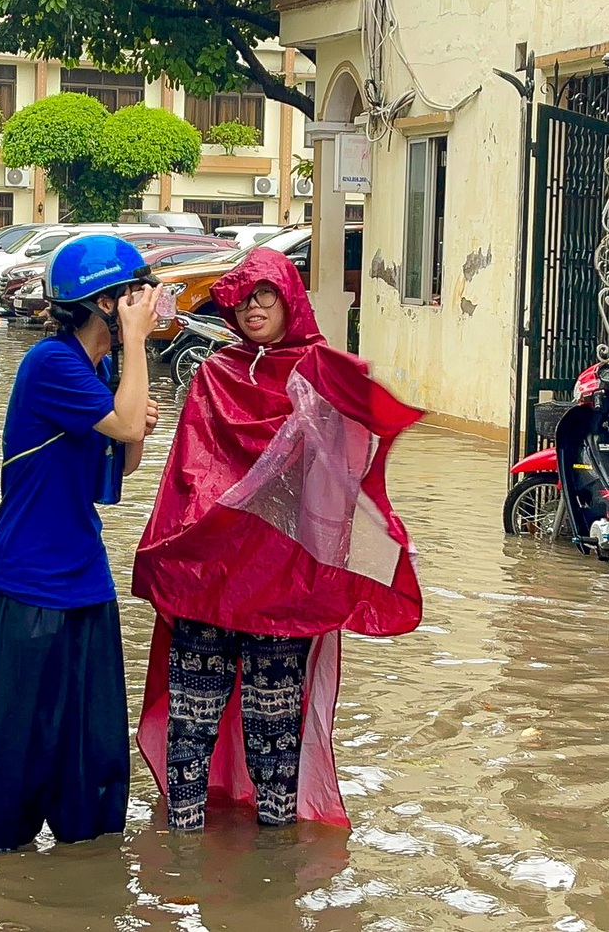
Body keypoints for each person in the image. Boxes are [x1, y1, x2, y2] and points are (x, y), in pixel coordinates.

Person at [133, 248, 423, 832]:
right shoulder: (216, 374)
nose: (252, 308)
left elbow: (345, 476)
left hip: (282, 583)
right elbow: (187, 475)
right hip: (208, 579)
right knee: (194, 719)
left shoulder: (324, 375)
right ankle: (184, 846)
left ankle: (275, 858)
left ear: (290, 297)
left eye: (265, 294)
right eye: (241, 299)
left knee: (274, 725)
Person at [0, 234, 162, 852]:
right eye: (130, 295)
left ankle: (86, 873)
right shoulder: (50, 364)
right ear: (102, 304)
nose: (143, 304)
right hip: (27, 581)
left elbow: (119, 467)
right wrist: (135, 355)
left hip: (83, 578)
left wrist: (136, 420)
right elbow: (123, 422)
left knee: (92, 754)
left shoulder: (95, 370)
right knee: (16, 762)